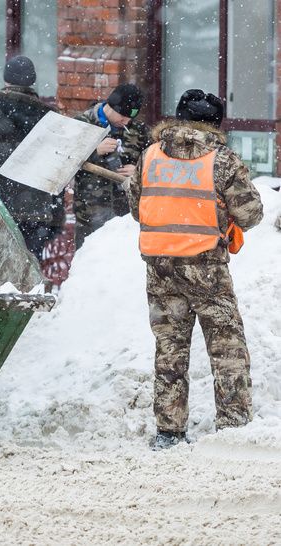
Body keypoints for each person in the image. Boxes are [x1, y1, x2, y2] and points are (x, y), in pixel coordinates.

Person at [126, 89, 264, 450]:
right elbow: (251, 215)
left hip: (159, 267)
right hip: (205, 268)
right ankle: (233, 429)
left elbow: (136, 207)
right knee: (226, 347)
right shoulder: (223, 161)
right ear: (216, 124)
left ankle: (168, 433)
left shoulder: (150, 155)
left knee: (170, 349)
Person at [0, 55, 65, 263]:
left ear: (7, 81)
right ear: (32, 82)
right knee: (32, 271)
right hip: (39, 211)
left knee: (1, 270)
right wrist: (56, 216)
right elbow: (59, 170)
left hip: (2, 209)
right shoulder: (50, 116)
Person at [73, 83, 151, 249]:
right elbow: (63, 163)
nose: (126, 121)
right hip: (90, 215)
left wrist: (140, 171)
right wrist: (94, 152)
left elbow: (158, 163)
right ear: (111, 105)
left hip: (127, 219)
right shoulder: (82, 124)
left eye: (130, 118)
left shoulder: (140, 130)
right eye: (123, 115)